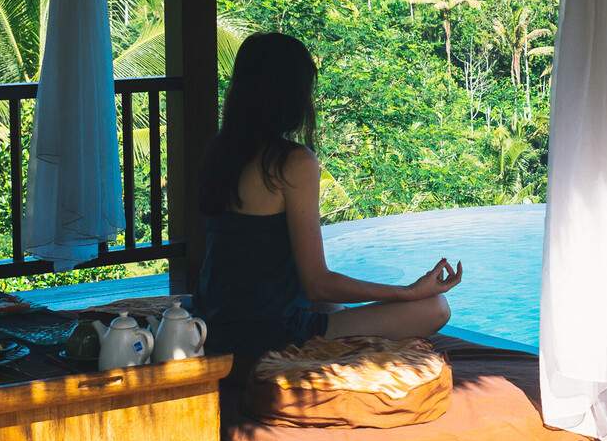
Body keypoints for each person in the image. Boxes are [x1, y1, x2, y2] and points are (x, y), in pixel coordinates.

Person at [192, 31, 461, 360]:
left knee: (334, 305)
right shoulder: (291, 163)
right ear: (291, 95)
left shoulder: (221, 152)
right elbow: (317, 283)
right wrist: (408, 292)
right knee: (434, 307)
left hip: (212, 326)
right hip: (267, 337)